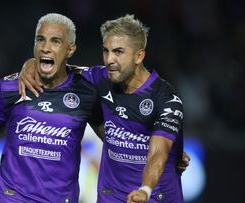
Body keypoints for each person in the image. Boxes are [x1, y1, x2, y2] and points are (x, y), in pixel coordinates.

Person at [19, 14, 188, 203]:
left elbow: (158, 154)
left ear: (139, 55)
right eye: (106, 51)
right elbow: (60, 69)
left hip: (155, 197)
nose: (109, 59)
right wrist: (31, 64)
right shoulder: (100, 78)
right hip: (112, 196)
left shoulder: (166, 99)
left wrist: (145, 190)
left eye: (118, 52)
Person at [0, 13, 103, 203]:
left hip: (60, 198)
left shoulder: (86, 93)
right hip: (12, 196)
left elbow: (110, 137)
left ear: (70, 49)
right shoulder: (9, 87)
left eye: (55, 41)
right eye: (40, 40)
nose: (45, 48)